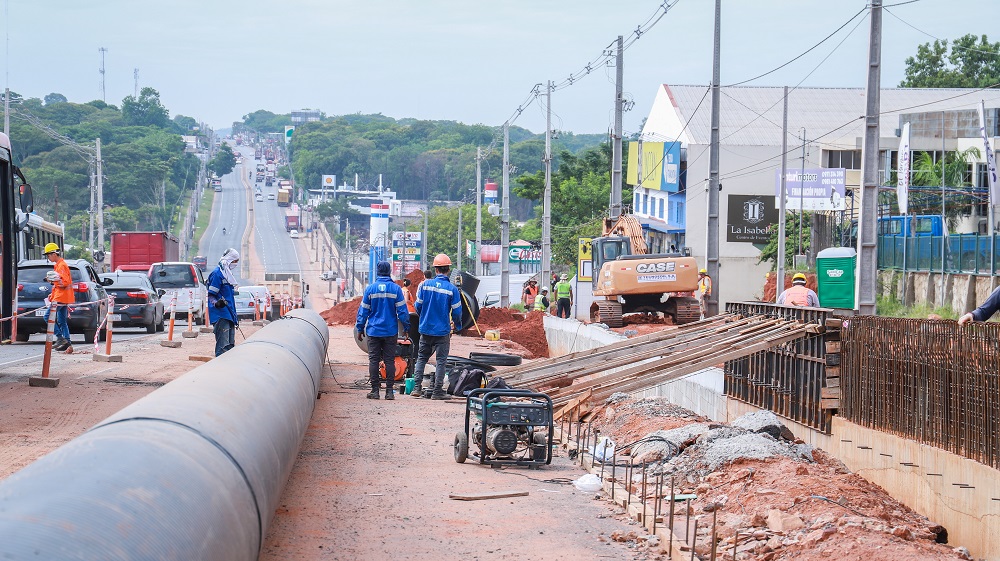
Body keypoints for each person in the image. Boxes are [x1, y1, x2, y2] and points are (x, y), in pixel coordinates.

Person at [356, 261, 410, 400]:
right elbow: (403, 312)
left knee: (373, 360)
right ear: (389, 271)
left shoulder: (370, 289)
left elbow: (363, 311)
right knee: (389, 360)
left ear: (378, 272)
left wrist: (360, 328)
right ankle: (390, 392)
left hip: (373, 331)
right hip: (390, 331)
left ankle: (375, 391)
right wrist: (406, 328)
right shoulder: (396, 289)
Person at [411, 254, 462, 400]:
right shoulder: (452, 289)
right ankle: (437, 391)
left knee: (421, 358)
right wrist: (457, 326)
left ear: (435, 269)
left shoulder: (425, 285)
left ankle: (416, 388)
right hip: (442, 331)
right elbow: (457, 312)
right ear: (448, 269)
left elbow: (417, 306)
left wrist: (423, 318)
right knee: (441, 361)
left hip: (425, 329)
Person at [207, 248, 240, 357]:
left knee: (230, 345)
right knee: (223, 346)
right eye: (234, 262)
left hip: (229, 315)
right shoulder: (217, 274)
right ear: (229, 260)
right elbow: (211, 295)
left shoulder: (227, 275)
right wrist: (217, 303)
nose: (235, 264)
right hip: (221, 315)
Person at [43, 243, 74, 352]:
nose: (48, 257)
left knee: (47, 317)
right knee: (61, 320)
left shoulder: (61, 266)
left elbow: (64, 282)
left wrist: (52, 280)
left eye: (48, 255)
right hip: (63, 297)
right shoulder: (59, 265)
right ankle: (68, 343)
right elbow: (60, 283)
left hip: (61, 297)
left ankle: (60, 338)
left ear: (54, 254)